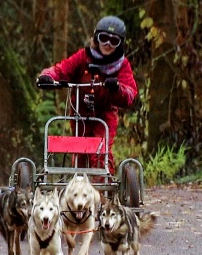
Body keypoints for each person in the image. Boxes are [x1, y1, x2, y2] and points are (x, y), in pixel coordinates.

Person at [36, 15, 138, 175]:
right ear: (96, 37)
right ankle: (79, 187)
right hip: (79, 112)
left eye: (114, 41)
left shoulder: (122, 65)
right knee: (80, 151)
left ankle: (101, 190)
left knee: (100, 152)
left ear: (120, 44)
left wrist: (117, 88)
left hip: (105, 114)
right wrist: (48, 77)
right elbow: (61, 70)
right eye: (104, 38)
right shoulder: (83, 57)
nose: (108, 44)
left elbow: (130, 93)